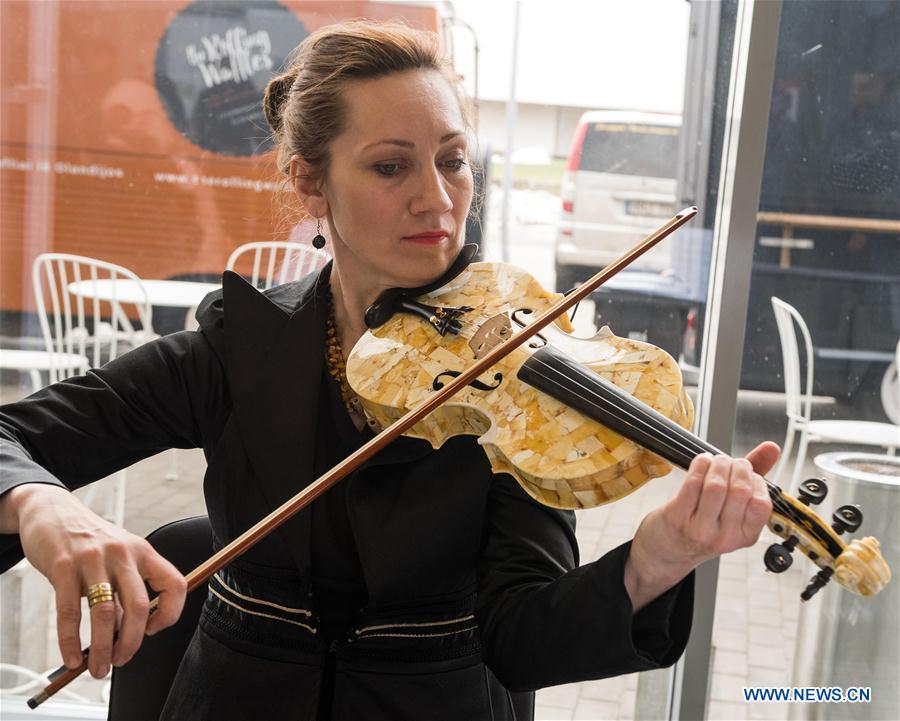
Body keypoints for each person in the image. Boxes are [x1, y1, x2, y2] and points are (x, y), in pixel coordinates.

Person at [0, 21, 778, 721]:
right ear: (310, 182)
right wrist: (42, 505)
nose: (437, 199)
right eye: (390, 167)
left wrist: (659, 555)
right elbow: (12, 434)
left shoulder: (509, 369)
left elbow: (524, 637)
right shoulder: (239, 341)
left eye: (452, 161)